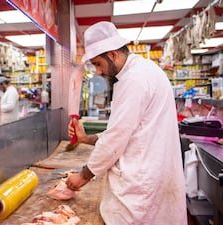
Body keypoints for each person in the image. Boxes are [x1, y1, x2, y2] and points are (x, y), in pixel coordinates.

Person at [65, 22, 187, 225]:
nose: (97, 71)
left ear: (112, 54)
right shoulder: (141, 71)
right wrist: (86, 138)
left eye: (97, 63)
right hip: (150, 172)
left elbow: (116, 139)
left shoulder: (134, 79)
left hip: (143, 183)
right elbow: (126, 130)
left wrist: (84, 176)